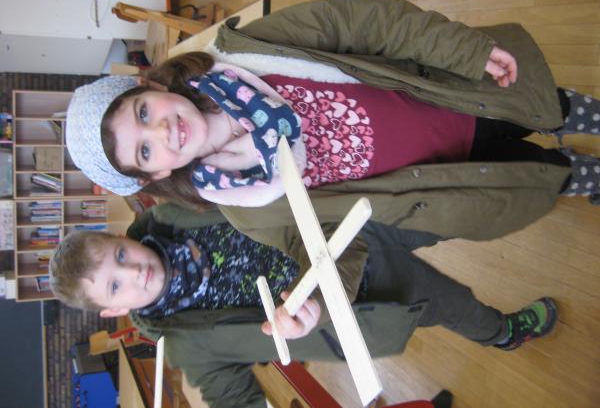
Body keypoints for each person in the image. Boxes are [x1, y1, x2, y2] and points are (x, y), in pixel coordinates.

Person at [66, 0, 600, 259]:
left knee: (554, 108)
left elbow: (363, 23)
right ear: (154, 176)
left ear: (151, 87)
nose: (162, 133)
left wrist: (462, 51)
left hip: (462, 91)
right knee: (554, 175)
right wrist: (316, 301)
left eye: (143, 113)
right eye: (144, 152)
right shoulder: (248, 207)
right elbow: (328, 249)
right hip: (458, 180)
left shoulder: (247, 52)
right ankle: (586, 176)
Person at [50, 202, 557, 408]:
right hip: (365, 301)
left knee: (459, 211)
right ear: (112, 311)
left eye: (121, 256)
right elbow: (232, 397)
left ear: (121, 237)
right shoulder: (186, 346)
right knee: (452, 302)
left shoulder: (174, 213)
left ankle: (540, 186)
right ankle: (503, 333)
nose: (134, 272)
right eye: (114, 286)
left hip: (351, 226)